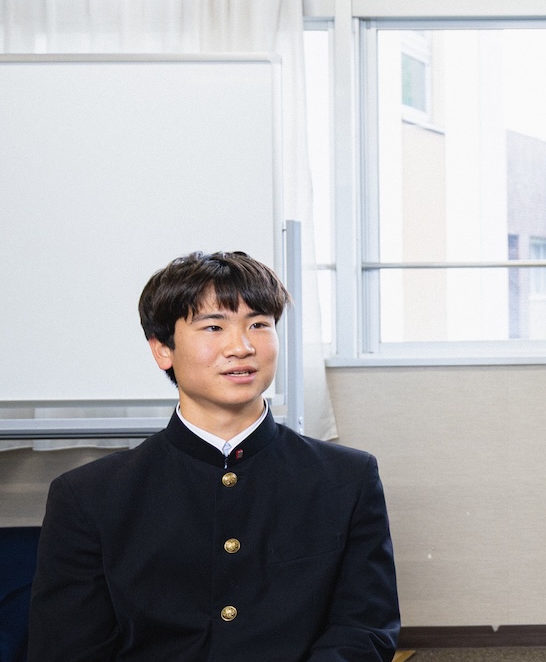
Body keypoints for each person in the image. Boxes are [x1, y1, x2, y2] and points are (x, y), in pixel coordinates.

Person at [30, 251, 400, 660]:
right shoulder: (88, 495)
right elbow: (67, 647)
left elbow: (364, 630)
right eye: (213, 326)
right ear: (162, 350)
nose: (241, 347)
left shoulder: (347, 478)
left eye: (259, 324)